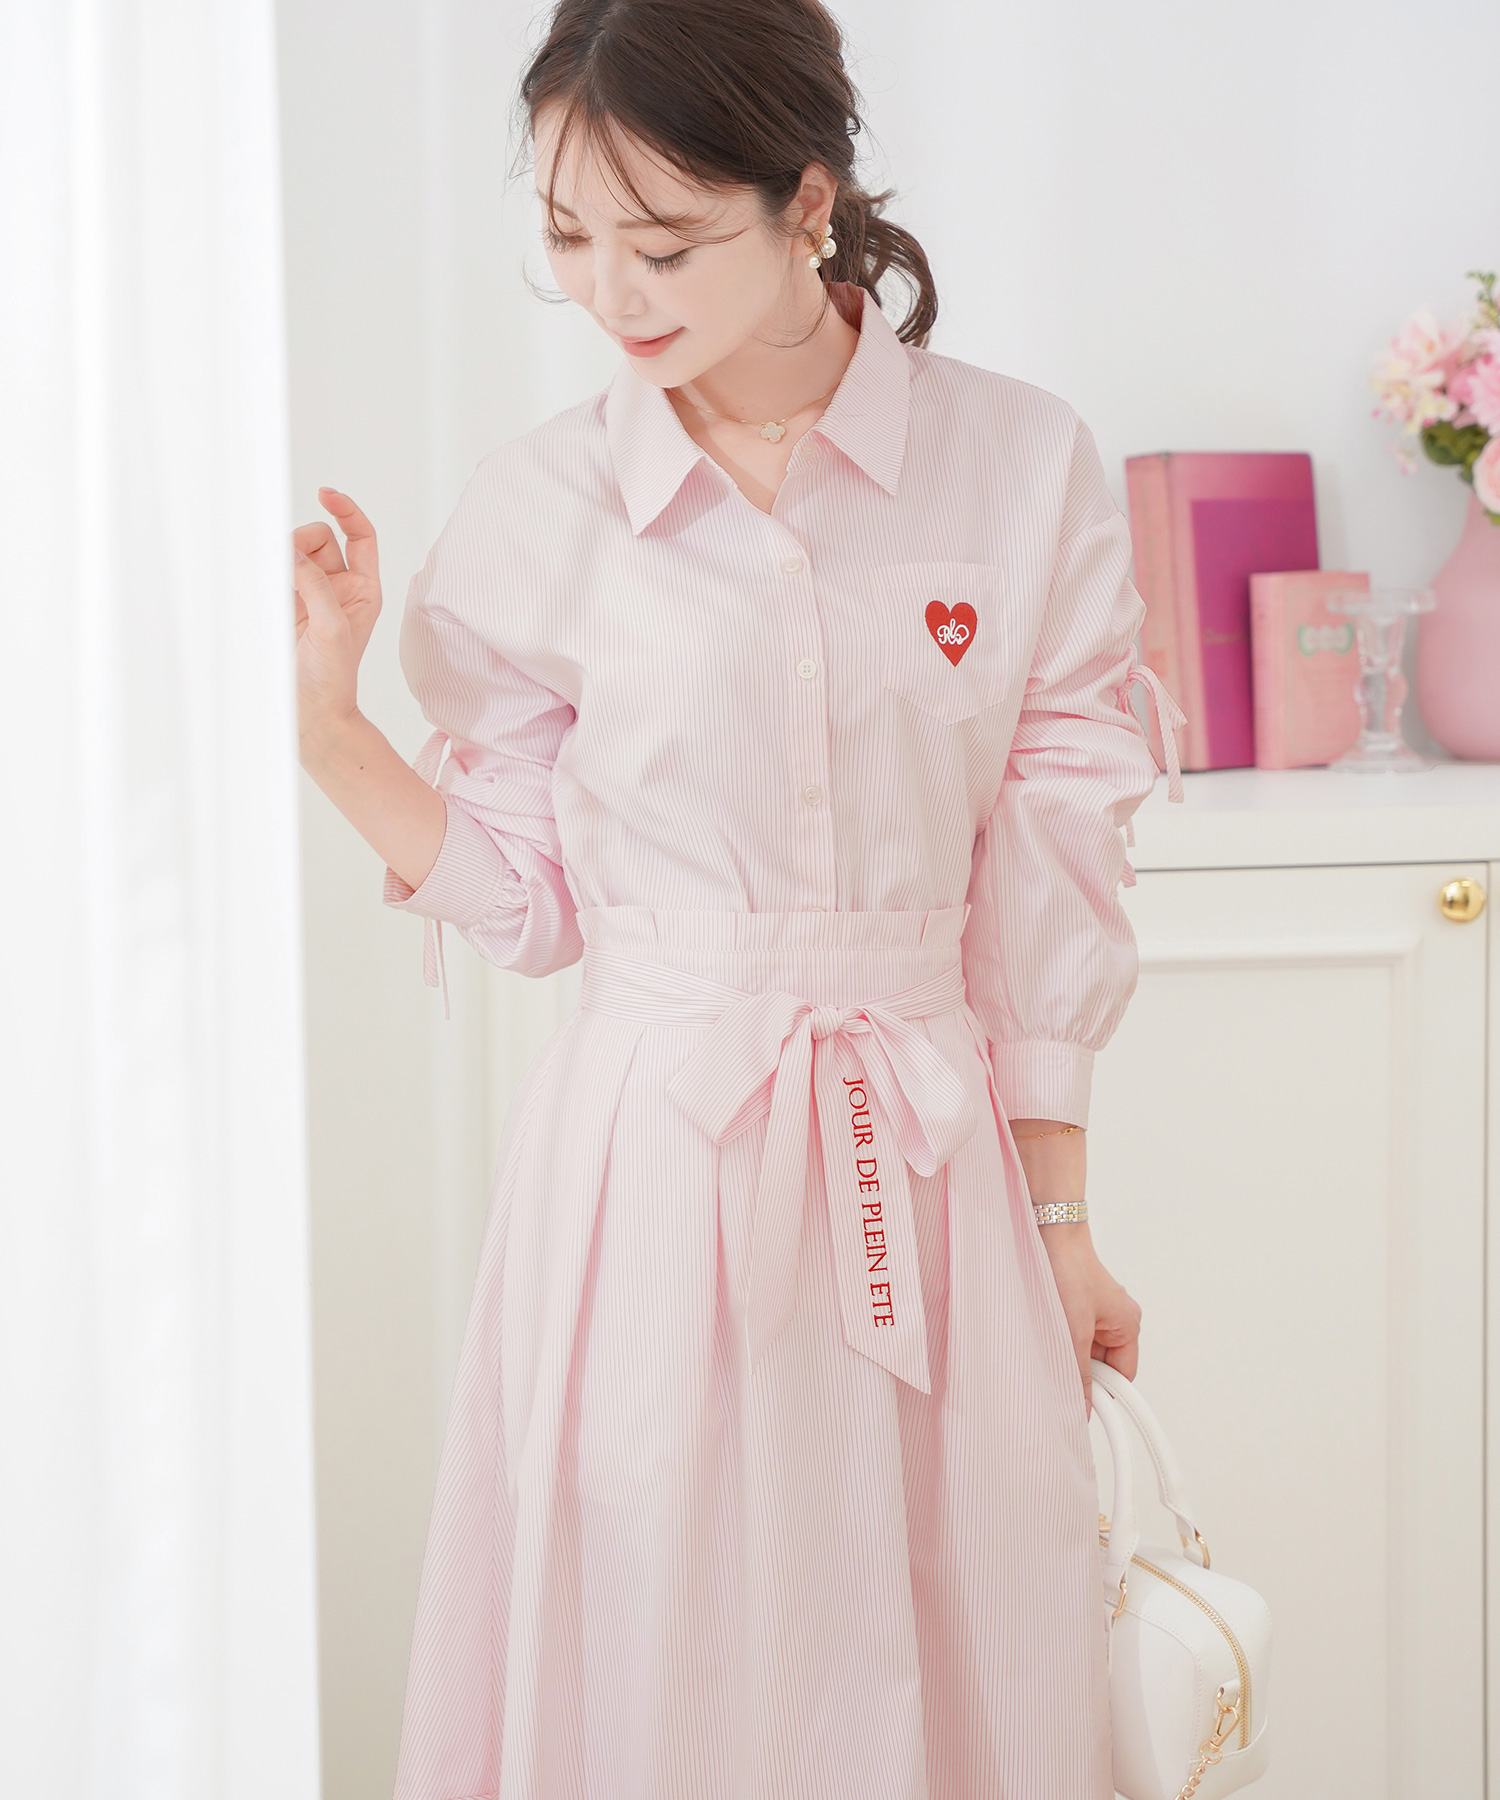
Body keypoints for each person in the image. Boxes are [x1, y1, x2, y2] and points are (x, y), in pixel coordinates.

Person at [293, 1, 1186, 1794]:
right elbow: (535, 904)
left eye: (666, 240)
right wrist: (332, 728)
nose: (610, 292)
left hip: (928, 1165)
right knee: (664, 1643)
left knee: (954, 1620)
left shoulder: (1019, 467)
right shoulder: (542, 510)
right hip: (652, 1171)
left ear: (807, 202)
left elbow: (1049, 863)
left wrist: (1064, 1213)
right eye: (569, 236)